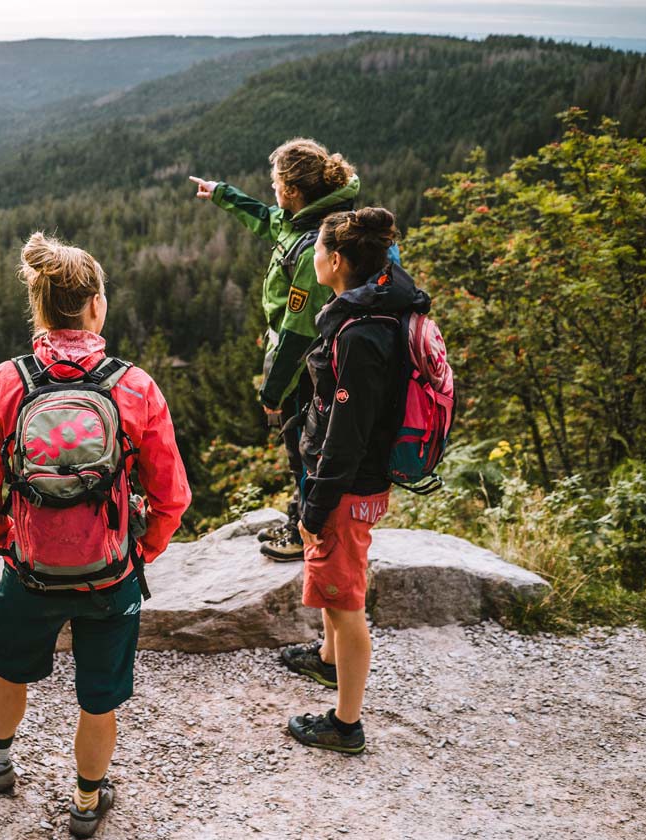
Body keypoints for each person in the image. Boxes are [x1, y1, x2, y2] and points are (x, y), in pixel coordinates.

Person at [0, 233, 191, 838]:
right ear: (97, 306)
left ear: (38, 308)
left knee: (9, 667)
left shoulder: (8, 381)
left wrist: (4, 539)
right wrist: (139, 553)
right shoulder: (134, 387)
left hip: (29, 568)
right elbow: (172, 495)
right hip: (110, 575)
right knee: (99, 694)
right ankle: (85, 804)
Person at [190, 139, 395, 562]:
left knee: (303, 443)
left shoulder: (313, 245)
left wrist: (273, 391)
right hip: (306, 350)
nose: (273, 193)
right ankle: (303, 514)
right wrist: (222, 194)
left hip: (309, 364)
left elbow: (298, 333)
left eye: (275, 184)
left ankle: (306, 528)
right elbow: (267, 221)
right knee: (304, 442)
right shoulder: (304, 220)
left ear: (293, 190)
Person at [283, 207, 427, 754]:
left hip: (346, 485)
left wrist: (315, 509)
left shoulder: (361, 333)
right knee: (336, 583)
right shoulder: (373, 309)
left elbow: (348, 433)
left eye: (318, 250)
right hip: (344, 478)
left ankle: (346, 725)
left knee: (347, 603)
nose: (314, 258)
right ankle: (326, 660)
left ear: (337, 260)